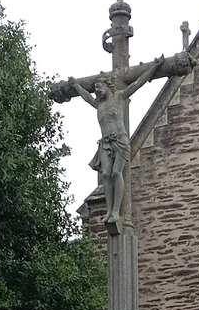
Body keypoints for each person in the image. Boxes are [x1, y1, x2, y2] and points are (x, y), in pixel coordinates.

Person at [68, 56, 164, 224]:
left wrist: (153, 67)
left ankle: (115, 212)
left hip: (120, 140)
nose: (97, 91)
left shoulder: (119, 97)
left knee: (116, 172)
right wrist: (75, 85)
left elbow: (137, 83)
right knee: (105, 174)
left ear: (107, 85)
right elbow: (85, 96)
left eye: (99, 87)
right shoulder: (99, 105)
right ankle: (109, 210)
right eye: (95, 89)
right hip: (105, 143)